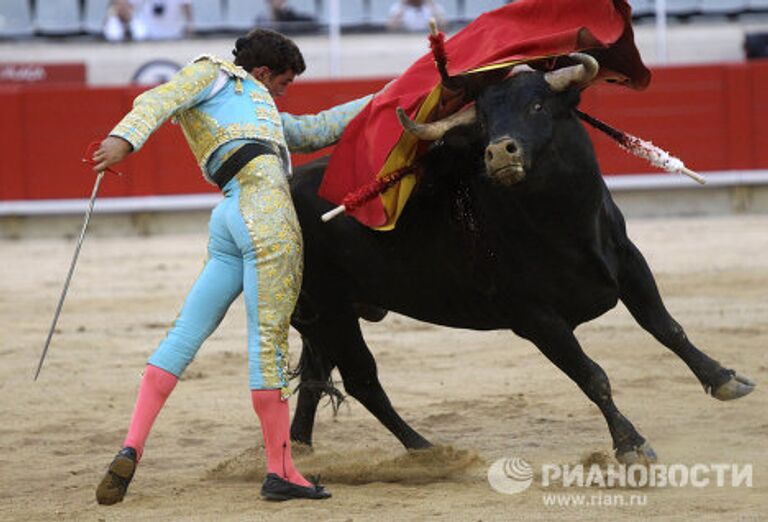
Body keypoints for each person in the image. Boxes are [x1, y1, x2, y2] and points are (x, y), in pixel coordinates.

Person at [92, 28, 373, 504]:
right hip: (265, 214)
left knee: (184, 334)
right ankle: (281, 470)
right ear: (261, 73)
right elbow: (159, 98)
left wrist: (387, 96)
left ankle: (131, 446)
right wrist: (124, 139)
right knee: (268, 342)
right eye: (281, 82)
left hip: (228, 218)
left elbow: (318, 128)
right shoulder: (215, 74)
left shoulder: (257, 111)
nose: (282, 93)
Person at [104, 0, 192, 41]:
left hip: (173, 34)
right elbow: (130, 6)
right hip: (149, 35)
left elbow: (187, 6)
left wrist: (190, 24)